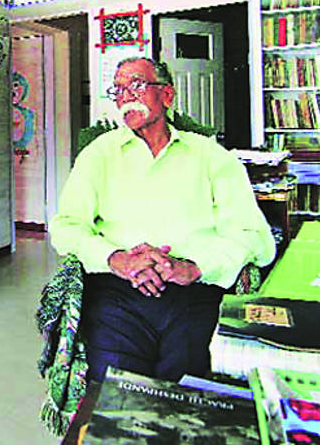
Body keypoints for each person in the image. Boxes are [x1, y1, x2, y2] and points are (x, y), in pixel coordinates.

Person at [49, 57, 275, 383]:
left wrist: (194, 267)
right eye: (118, 90)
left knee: (188, 381)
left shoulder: (211, 156)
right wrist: (117, 259)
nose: (126, 96)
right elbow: (66, 226)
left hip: (194, 290)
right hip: (117, 289)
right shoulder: (99, 154)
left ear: (166, 95)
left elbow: (256, 239)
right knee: (116, 386)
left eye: (136, 85)